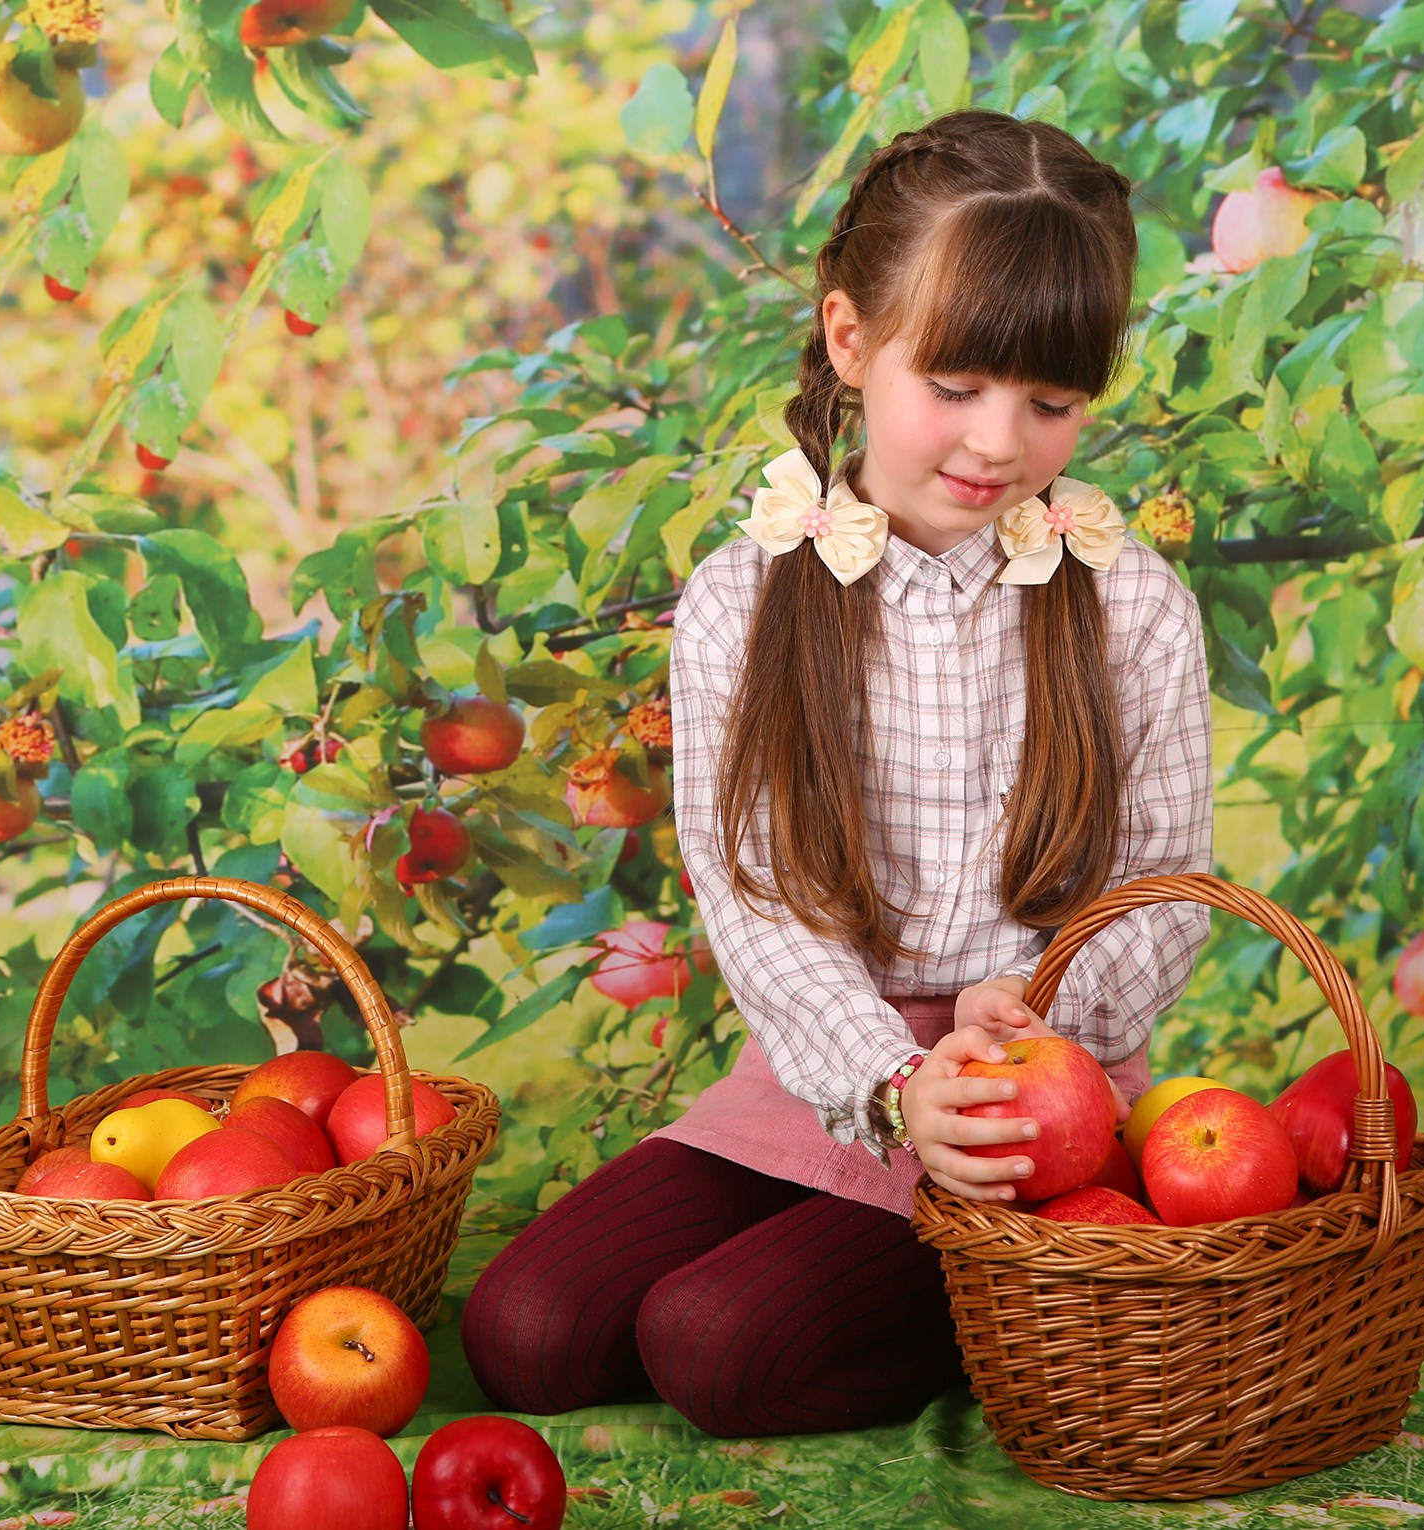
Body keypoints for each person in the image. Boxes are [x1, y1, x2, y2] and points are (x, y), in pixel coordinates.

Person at [461, 108, 1213, 1439]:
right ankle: (864, 1259)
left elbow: (1164, 882)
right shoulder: (747, 594)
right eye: (960, 385)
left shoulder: (1128, 601)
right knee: (526, 1331)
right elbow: (752, 898)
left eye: (1051, 402)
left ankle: (1018, 1319)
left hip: (1020, 1091)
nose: (998, 442)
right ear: (854, 340)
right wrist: (881, 1079)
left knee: (716, 1347)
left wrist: (1026, 1023)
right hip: (834, 1067)